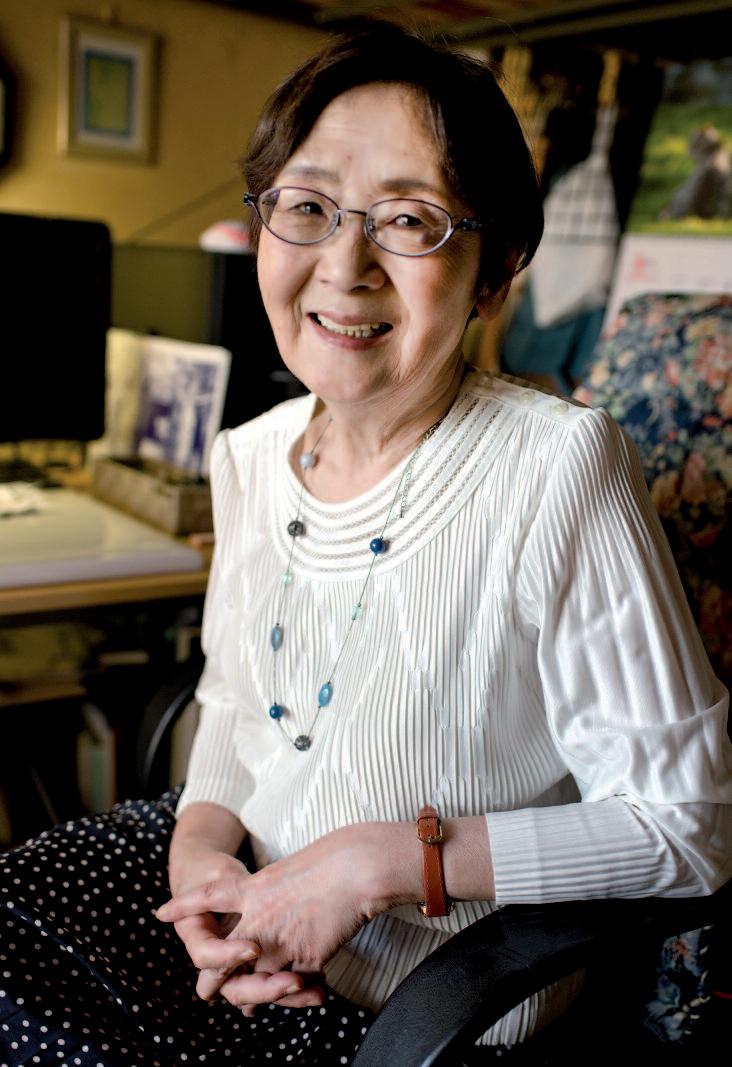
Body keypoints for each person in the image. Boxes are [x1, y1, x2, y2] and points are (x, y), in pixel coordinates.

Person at [2, 22, 732, 1067]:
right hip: (248, 902)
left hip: (428, 998)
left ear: (494, 274)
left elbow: (692, 823)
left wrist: (378, 863)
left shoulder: (558, 467)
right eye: (306, 208)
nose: (344, 266)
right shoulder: (249, 454)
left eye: (409, 221)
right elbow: (232, 701)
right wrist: (201, 861)